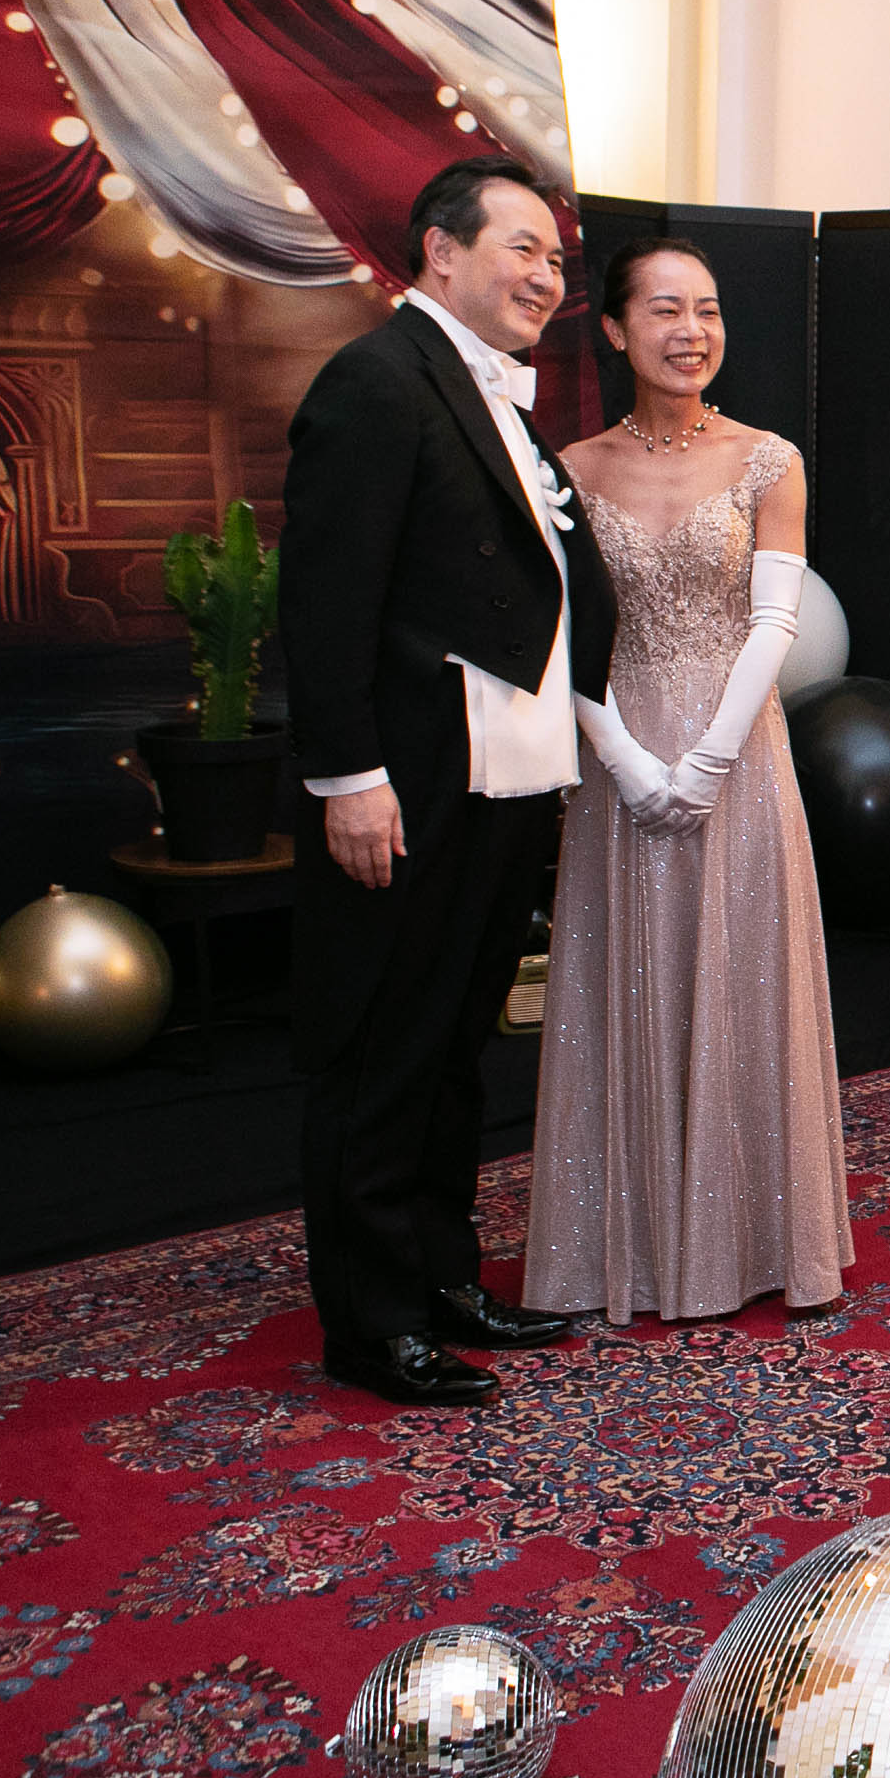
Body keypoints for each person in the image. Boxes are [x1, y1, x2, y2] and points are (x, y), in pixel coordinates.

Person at [284, 158, 612, 1406]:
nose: (547, 277)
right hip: (408, 781)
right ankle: (372, 1326)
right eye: (523, 248)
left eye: (557, 260)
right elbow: (326, 602)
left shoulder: (497, 395)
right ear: (440, 249)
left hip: (504, 775)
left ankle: (440, 1280)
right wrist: (349, 778)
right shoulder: (376, 381)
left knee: (454, 1046)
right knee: (380, 1052)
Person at [520, 237, 850, 1324]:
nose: (691, 331)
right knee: (628, 979)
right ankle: (627, 1246)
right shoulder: (569, 468)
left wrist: (708, 758)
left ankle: (752, 1241)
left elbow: (776, 620)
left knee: (741, 980)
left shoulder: (768, 459)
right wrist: (621, 756)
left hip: (738, 751)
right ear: (616, 330)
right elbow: (560, 632)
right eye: (665, 310)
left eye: (706, 309)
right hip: (616, 750)